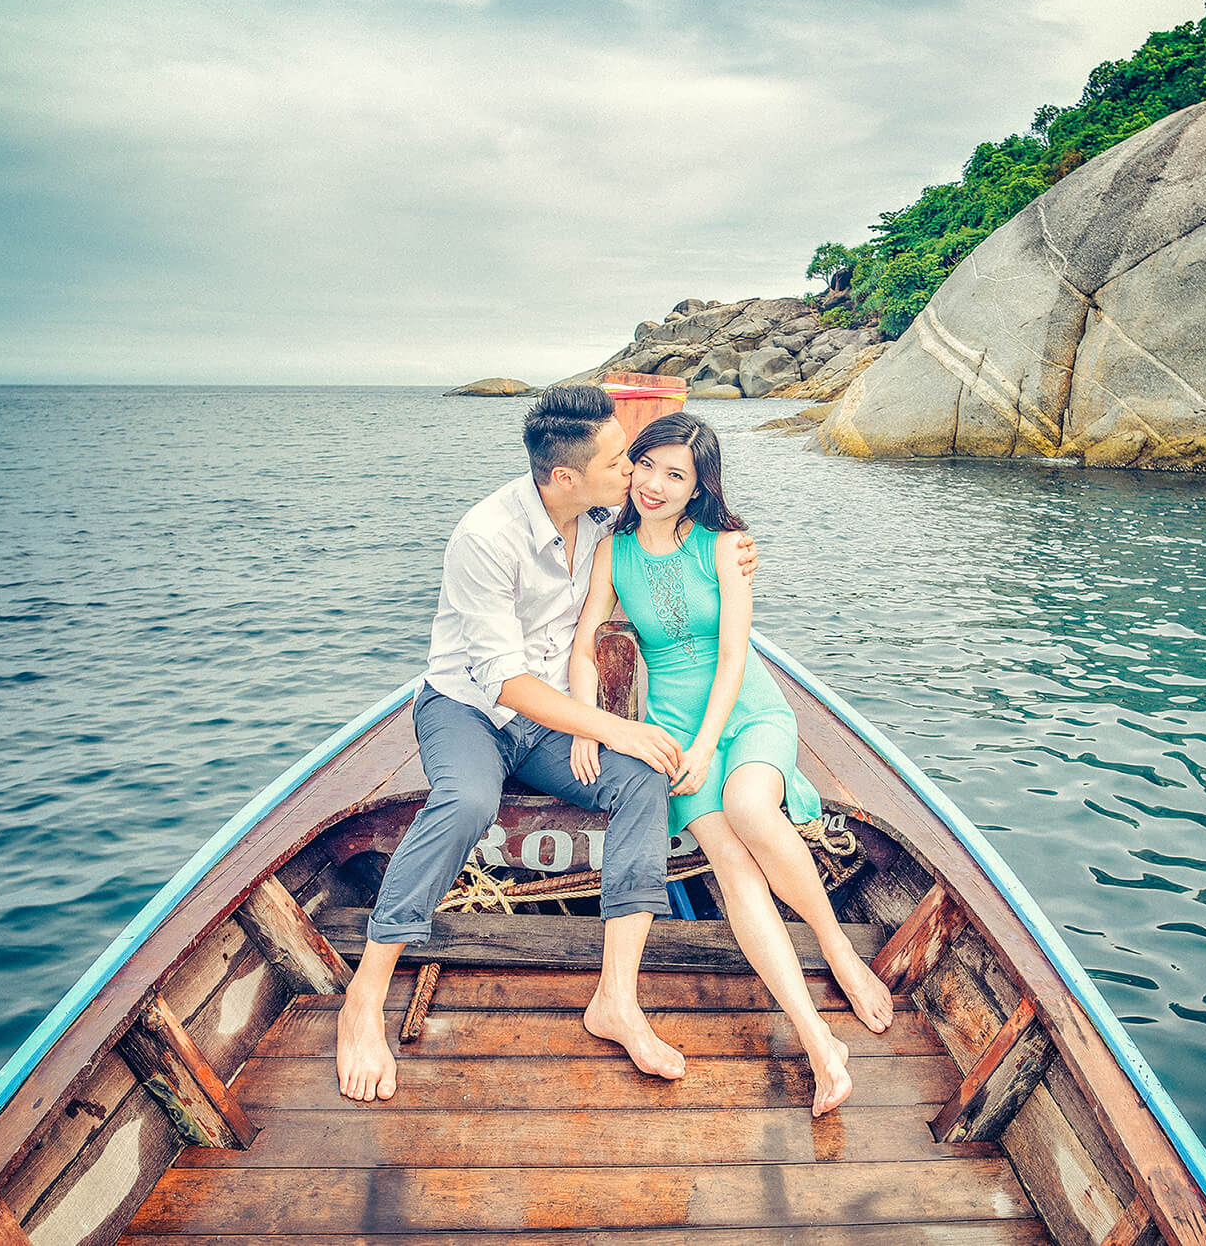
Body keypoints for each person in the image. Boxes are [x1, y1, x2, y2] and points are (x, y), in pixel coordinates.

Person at [335, 386, 757, 1103]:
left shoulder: (599, 519)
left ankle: (616, 1000)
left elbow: (669, 538)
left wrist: (732, 553)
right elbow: (503, 684)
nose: (633, 472)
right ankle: (365, 995)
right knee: (467, 802)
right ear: (565, 476)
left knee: (642, 779)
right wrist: (611, 726)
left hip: (553, 719)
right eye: (621, 460)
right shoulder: (485, 536)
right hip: (467, 710)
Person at [570, 412, 895, 1119]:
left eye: (675, 475)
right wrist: (589, 723)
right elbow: (589, 641)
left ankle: (837, 948)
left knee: (751, 808)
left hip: (743, 713)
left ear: (698, 489)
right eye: (647, 464)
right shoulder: (611, 549)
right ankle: (817, 1042)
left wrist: (705, 742)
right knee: (732, 863)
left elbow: (733, 657)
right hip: (674, 731)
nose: (654, 483)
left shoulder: (725, 545)